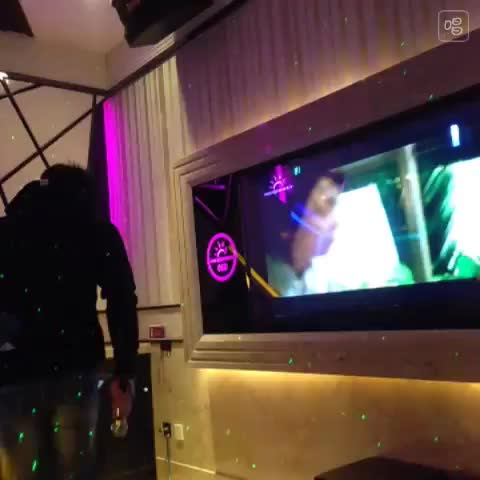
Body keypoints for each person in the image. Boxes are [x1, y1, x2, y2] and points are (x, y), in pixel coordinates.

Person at [0, 164, 138, 479]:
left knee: (23, 472)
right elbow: (121, 299)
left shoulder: (6, 231)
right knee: (76, 469)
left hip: (13, 372)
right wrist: (125, 373)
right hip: (75, 365)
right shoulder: (96, 231)